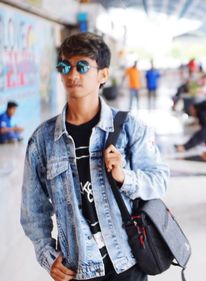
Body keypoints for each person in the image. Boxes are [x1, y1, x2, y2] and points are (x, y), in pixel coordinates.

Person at [20, 32, 169, 281]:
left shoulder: (130, 128)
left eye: (82, 66)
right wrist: (47, 255)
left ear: (103, 74)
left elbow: (160, 181)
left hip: (128, 263)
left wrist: (124, 177)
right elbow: (32, 211)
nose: (72, 74)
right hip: (77, 270)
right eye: (65, 66)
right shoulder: (42, 140)